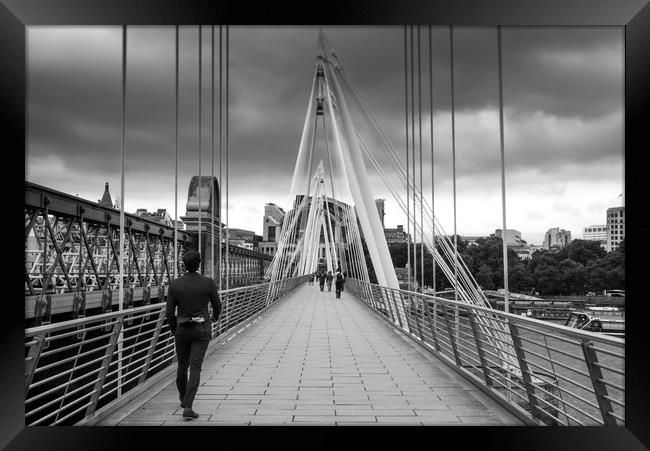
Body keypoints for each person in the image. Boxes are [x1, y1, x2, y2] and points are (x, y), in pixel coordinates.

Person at [165, 250, 221, 420]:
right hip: (201, 329)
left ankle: (183, 399)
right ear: (199, 264)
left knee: (182, 366)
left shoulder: (174, 284)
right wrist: (215, 317)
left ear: (184, 264)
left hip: (182, 329)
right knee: (195, 367)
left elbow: (169, 312)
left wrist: (175, 329)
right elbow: (217, 305)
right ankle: (188, 407)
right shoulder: (208, 282)